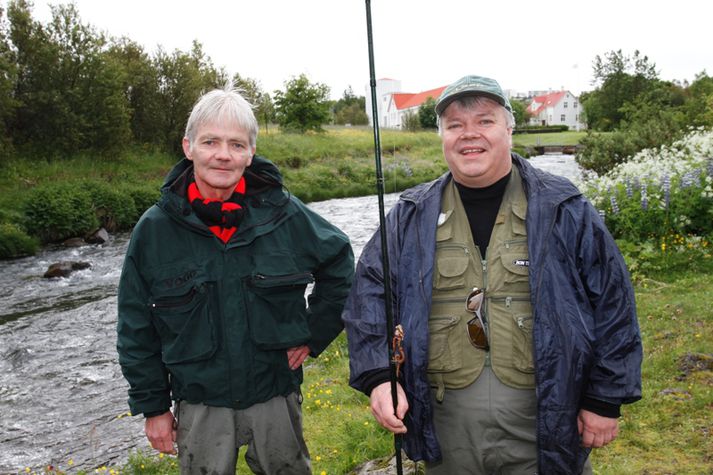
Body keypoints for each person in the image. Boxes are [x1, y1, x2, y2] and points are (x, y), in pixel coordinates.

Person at [343, 75, 642, 474]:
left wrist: (605, 398)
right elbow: (368, 298)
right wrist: (380, 377)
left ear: (509, 128)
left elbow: (613, 302)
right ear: (442, 136)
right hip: (448, 428)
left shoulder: (563, 206)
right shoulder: (410, 214)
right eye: (455, 125)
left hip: (547, 418)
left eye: (484, 121)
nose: (470, 135)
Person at [117, 83, 354, 474]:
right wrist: (154, 406)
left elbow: (341, 262)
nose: (223, 155)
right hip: (200, 401)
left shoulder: (285, 213)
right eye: (210, 142)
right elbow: (134, 326)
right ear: (188, 146)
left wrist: (314, 333)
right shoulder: (154, 231)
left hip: (275, 393)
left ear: (251, 153)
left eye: (236, 144)